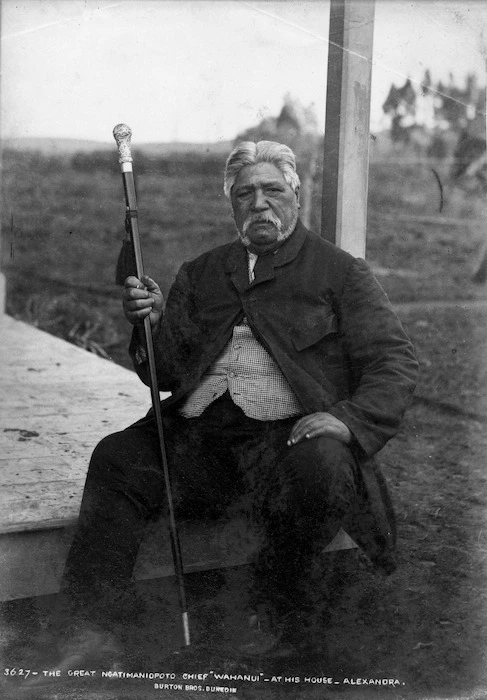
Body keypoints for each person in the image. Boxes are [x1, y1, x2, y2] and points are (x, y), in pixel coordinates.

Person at [54, 140, 419, 668]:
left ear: (296, 195)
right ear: (231, 204)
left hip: (282, 449)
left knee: (324, 463)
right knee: (116, 457)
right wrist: (153, 325)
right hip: (201, 444)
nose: (259, 203)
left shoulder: (340, 273)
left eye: (273, 189)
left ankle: (275, 605)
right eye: (245, 193)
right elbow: (168, 372)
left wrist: (348, 421)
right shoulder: (201, 273)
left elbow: (394, 361)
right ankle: (91, 625)